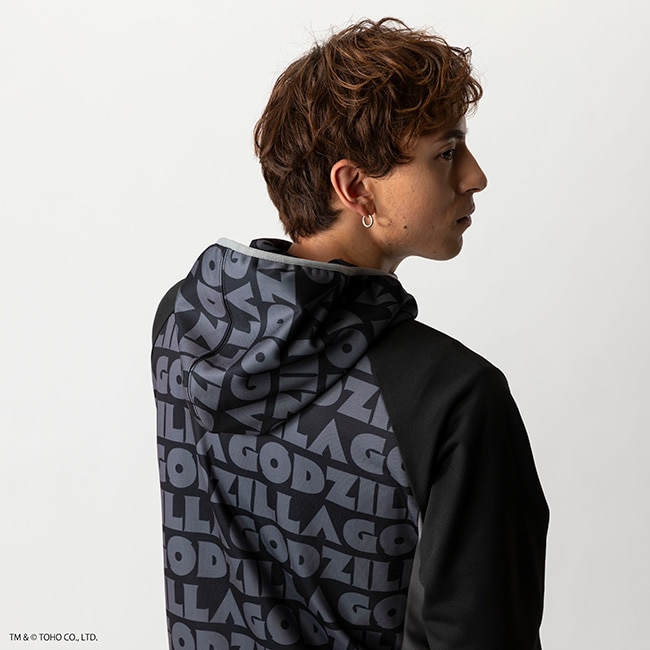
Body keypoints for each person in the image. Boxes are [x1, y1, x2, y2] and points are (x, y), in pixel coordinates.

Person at [151, 17, 548, 650]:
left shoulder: (183, 323)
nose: (475, 176)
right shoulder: (455, 397)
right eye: (446, 152)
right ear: (355, 187)